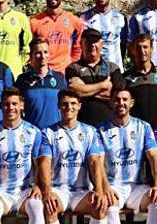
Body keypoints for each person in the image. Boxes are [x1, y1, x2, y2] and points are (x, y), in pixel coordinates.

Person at [96, 87, 157, 224]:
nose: (121, 103)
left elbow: (154, 156)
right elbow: (97, 162)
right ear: (110, 102)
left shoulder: (143, 126)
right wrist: (105, 187)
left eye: (125, 99)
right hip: (112, 186)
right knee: (108, 206)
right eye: (117, 100)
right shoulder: (99, 130)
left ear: (131, 103)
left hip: (137, 187)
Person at [41, 90, 110, 224]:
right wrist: (47, 191)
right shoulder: (48, 132)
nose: (69, 107)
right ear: (59, 106)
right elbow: (45, 163)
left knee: (100, 206)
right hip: (58, 190)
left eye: (73, 104)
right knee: (49, 208)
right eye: (65, 104)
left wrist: (99, 190)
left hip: (82, 191)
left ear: (79, 106)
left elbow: (95, 162)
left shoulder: (90, 131)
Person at [0, 88, 51, 224]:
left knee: (37, 206)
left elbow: (38, 164)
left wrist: (38, 185)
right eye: (6, 104)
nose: (10, 108)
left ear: (22, 105)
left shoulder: (34, 132)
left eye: (14, 104)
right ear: (0, 106)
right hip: (0, 192)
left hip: (25, 191)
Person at [66, 28, 125, 126]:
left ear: (102, 44)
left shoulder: (113, 68)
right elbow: (76, 92)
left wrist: (85, 91)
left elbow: (116, 97)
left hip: (109, 126)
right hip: (82, 126)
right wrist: (103, 85)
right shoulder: (73, 68)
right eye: (88, 42)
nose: (92, 45)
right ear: (81, 44)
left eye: (95, 42)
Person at [30, 0, 84, 73]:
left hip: (65, 73)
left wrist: (73, 66)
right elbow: (29, 48)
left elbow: (78, 48)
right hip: (43, 73)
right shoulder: (35, 22)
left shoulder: (74, 21)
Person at [15, 37, 67, 130]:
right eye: (38, 53)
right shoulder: (22, 80)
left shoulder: (59, 78)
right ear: (31, 55)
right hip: (31, 135)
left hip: (55, 134)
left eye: (46, 52)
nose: (43, 56)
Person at [122, 34, 157, 129]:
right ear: (133, 50)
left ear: (151, 49)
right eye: (138, 47)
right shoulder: (125, 78)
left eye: (145, 47)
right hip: (136, 131)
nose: (142, 51)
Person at [79, 0, 128, 72]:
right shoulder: (83, 19)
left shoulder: (120, 18)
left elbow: (123, 45)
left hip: (115, 71)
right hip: (92, 72)